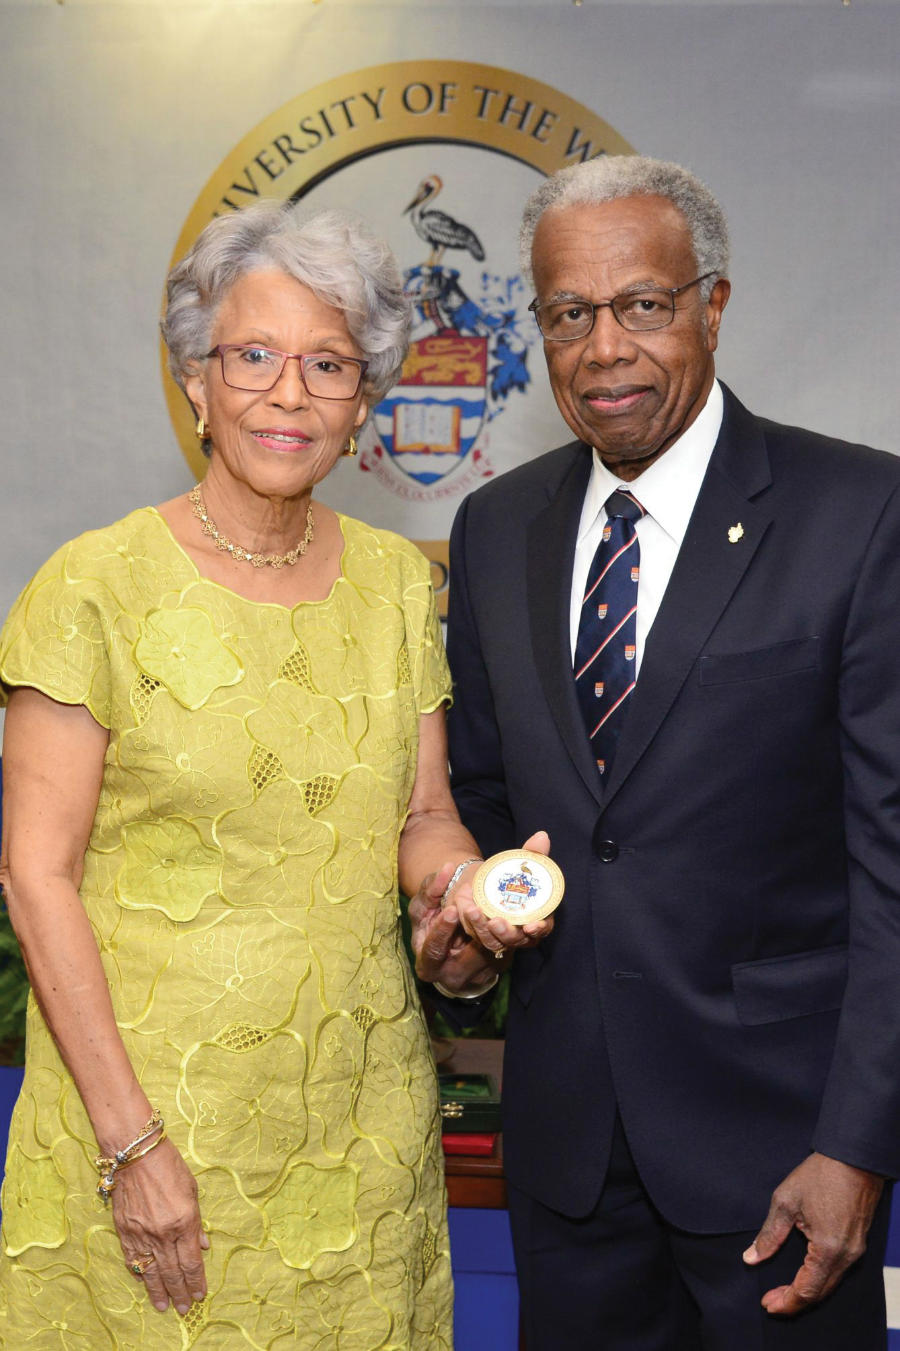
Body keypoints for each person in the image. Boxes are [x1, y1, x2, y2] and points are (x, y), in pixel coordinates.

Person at [0, 200, 550, 1348]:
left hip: (359, 1148)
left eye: (329, 364)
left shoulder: (400, 585)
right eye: (253, 356)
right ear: (196, 380)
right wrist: (131, 1145)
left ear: (364, 403)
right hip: (151, 1143)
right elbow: (33, 874)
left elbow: (424, 810)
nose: (288, 392)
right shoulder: (93, 586)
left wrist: (462, 893)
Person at [411, 156, 900, 1349]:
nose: (605, 348)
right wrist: (462, 929)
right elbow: (476, 793)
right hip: (570, 1161)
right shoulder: (496, 527)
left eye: (644, 304)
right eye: (570, 313)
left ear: (712, 304)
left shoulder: (860, 513)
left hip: (784, 1162)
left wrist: (856, 1145)